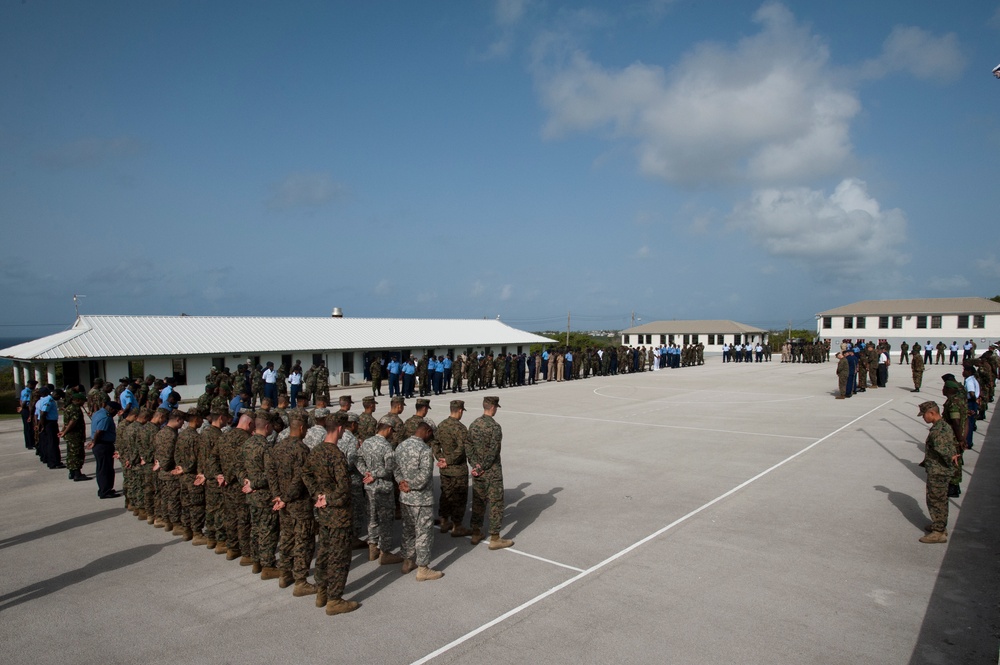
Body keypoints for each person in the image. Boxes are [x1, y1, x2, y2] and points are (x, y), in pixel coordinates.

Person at [303, 412, 360, 615]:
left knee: (324, 552)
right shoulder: (336, 455)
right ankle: (334, 599)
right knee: (339, 557)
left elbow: (306, 473)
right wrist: (329, 498)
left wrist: (317, 494)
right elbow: (344, 489)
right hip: (339, 515)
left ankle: (322, 591)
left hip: (324, 513)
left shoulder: (316, 451)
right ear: (339, 429)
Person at [266, 415, 317, 591]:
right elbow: (300, 478)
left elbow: (270, 473)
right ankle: (300, 581)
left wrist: (278, 496)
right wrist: (286, 497)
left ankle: (284, 574)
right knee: (303, 540)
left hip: (283, 503)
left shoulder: (277, 448)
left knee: (287, 538)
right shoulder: (302, 450)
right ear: (302, 428)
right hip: (299, 504)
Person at [394, 422, 444, 581]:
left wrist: (401, 482)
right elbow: (425, 476)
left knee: (408, 530)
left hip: (405, 497)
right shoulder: (424, 450)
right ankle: (423, 568)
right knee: (423, 533)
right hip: (421, 499)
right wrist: (411, 484)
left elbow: (395, 468)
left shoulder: (401, 446)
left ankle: (407, 561)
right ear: (427, 432)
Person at [467, 396, 513, 550]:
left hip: (477, 471)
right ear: (493, 407)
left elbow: (468, 446)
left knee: (479, 501)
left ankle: (475, 532)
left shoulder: (474, 425)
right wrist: (482, 467)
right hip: (491, 471)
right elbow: (494, 451)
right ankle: (495, 538)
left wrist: (475, 465)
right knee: (495, 503)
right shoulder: (494, 427)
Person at [356, 418, 403, 565]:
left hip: (370, 487)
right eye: (392, 431)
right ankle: (385, 552)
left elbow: (357, 459)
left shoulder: (367, 443)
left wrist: (367, 473)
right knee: (386, 520)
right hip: (383, 488)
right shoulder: (387, 447)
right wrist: (375, 474)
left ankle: (372, 547)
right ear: (388, 429)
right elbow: (389, 468)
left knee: (372, 517)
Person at [242, 411, 280, 577]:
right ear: (267, 426)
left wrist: (247, 482)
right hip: (264, 495)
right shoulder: (266, 447)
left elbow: (239, 467)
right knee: (267, 531)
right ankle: (268, 566)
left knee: (255, 528)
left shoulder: (247, 444)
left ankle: (256, 561)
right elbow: (271, 474)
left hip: (251, 495)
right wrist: (255, 484)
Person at [916, 401, 960, 543]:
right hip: (939, 470)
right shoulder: (943, 426)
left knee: (936, 500)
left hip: (938, 471)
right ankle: (939, 525)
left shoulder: (938, 431)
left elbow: (944, 451)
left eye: (924, 415)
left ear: (932, 413)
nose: (923, 418)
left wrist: (950, 462)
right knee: (939, 499)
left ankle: (939, 532)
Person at [433, 400, 473, 536]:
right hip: (458, 469)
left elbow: (435, 443)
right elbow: (462, 448)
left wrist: (440, 458)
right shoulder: (461, 428)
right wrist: (449, 460)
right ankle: (457, 525)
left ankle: (444, 521)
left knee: (446, 494)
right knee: (459, 498)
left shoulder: (442, 425)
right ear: (460, 410)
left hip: (444, 469)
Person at [89, 400, 122, 499]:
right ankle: (105, 491)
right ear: (111, 409)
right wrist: (94, 442)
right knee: (105, 469)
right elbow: (99, 432)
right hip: (103, 445)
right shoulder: (106, 417)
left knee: (103, 468)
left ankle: (105, 488)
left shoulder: (98, 413)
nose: (116, 414)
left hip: (100, 444)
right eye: (116, 412)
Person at [60, 391, 90, 481]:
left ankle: (72, 472)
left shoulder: (68, 408)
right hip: (75, 435)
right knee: (77, 454)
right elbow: (72, 422)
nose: (83, 403)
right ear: (77, 400)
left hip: (70, 436)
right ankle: (77, 474)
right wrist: (65, 431)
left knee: (71, 454)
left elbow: (66, 422)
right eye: (82, 401)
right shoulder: (75, 409)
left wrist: (63, 431)